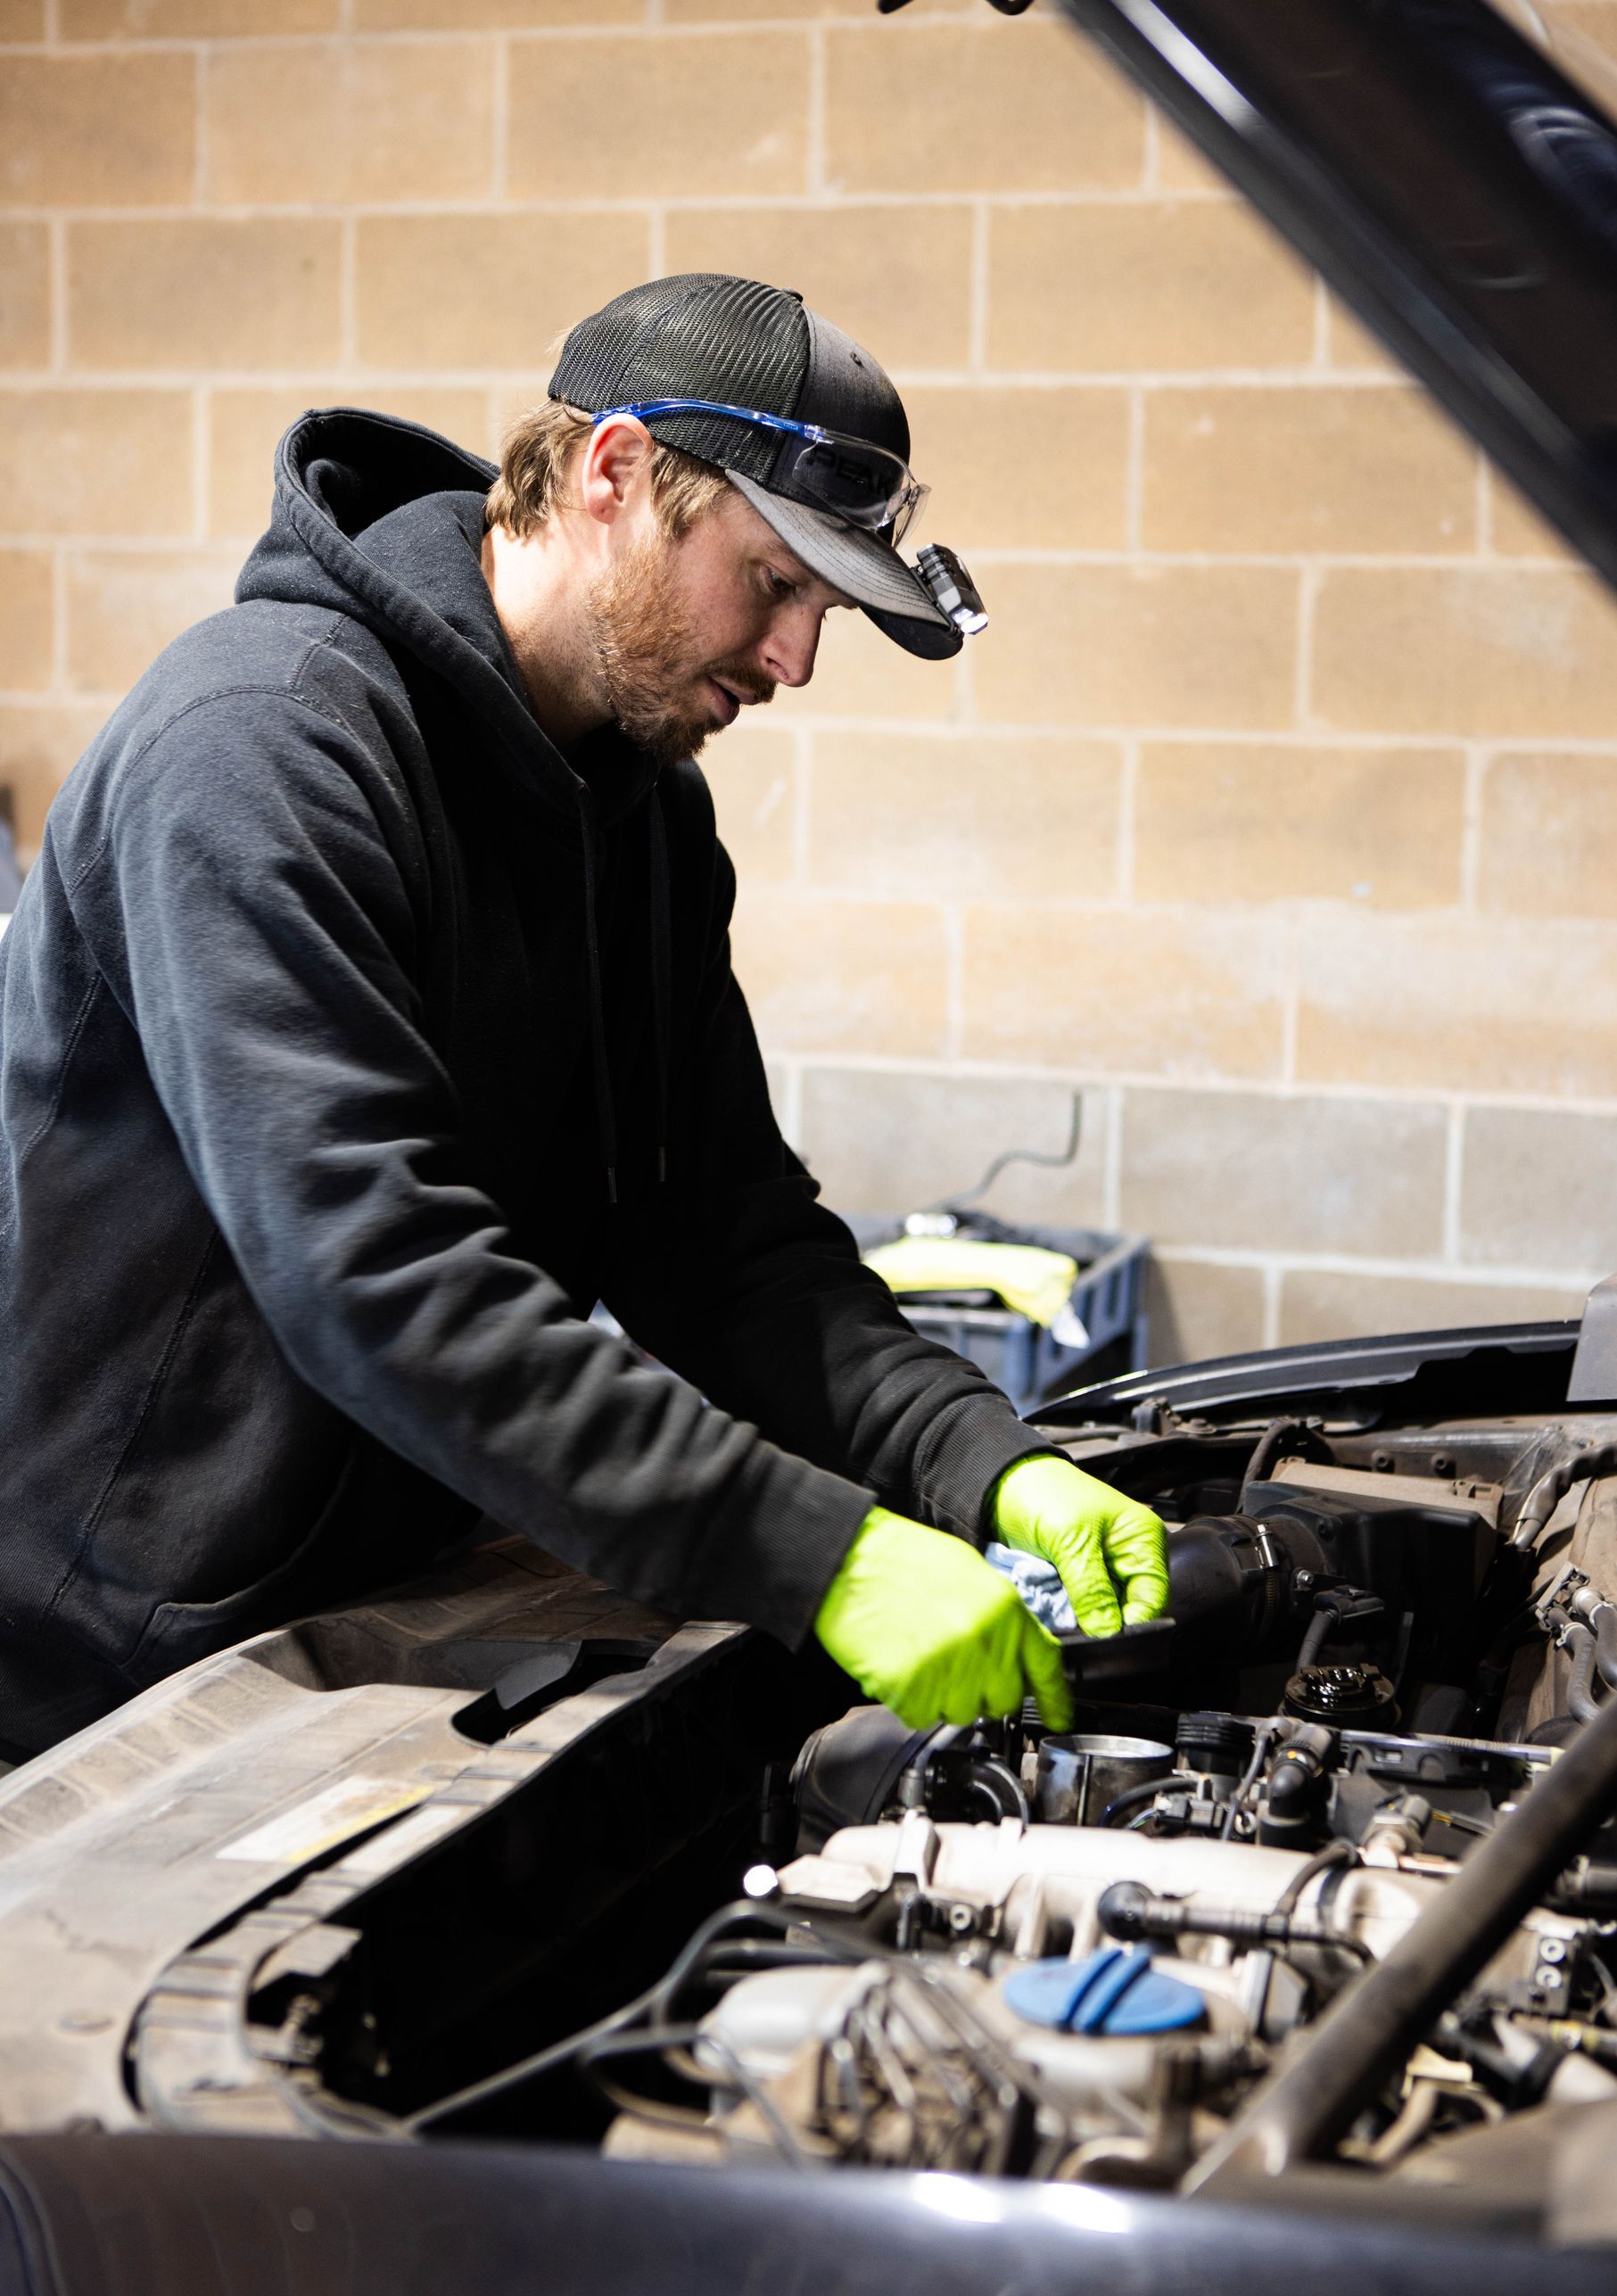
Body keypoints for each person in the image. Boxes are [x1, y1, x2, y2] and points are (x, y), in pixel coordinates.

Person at [0, 272, 1166, 1764]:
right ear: (612, 472)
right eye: (775, 581)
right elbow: (379, 1278)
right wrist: (829, 1555)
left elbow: (726, 1246)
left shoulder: (647, 824)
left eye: (826, 607)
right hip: (93, 1680)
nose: (797, 662)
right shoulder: (261, 745)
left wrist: (979, 1461)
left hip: (376, 1636)